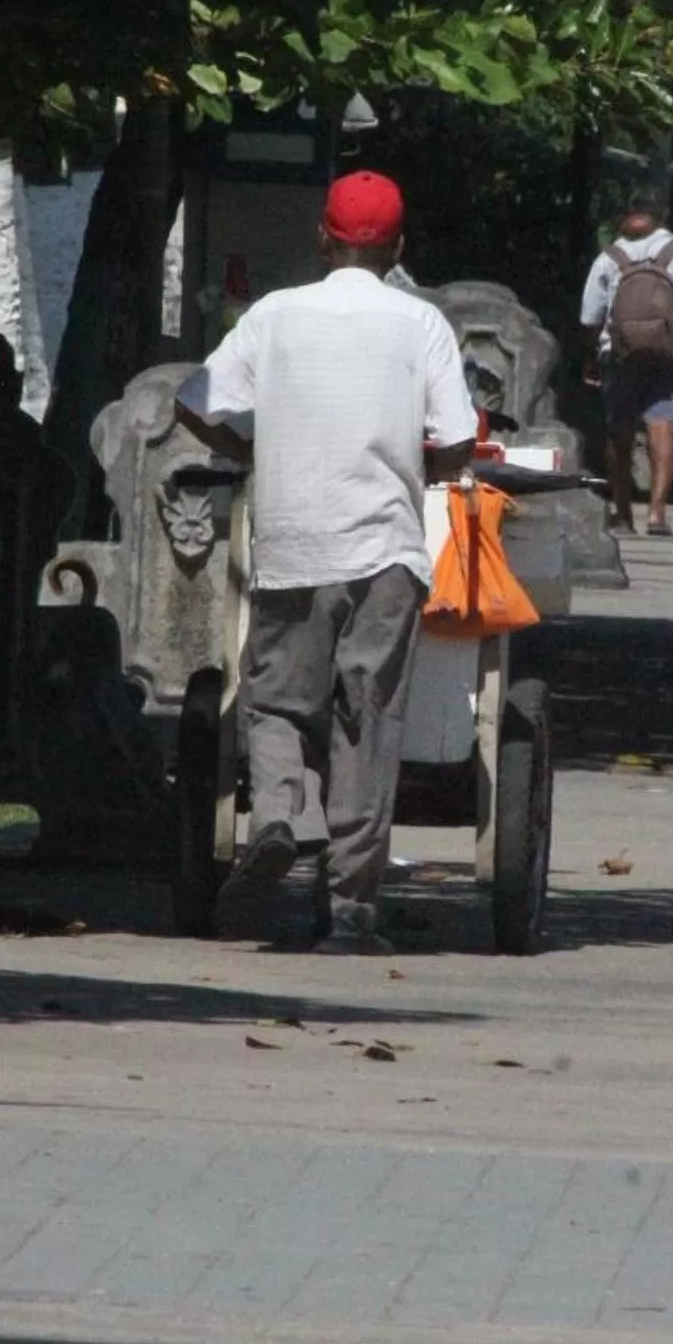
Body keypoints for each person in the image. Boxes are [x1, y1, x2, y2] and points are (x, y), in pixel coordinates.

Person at [177, 171, 479, 954]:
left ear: (323, 238)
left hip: (293, 548)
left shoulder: (275, 315)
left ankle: (277, 814)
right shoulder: (422, 325)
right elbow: (453, 444)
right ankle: (350, 912)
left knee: (275, 704)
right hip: (385, 554)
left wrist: (248, 447)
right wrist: (426, 467)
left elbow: (193, 401)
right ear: (399, 247)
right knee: (367, 722)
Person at [578, 209, 673, 536]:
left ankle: (623, 514)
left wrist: (589, 358)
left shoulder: (609, 258)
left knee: (620, 432)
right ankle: (656, 514)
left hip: (618, 356)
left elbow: (589, 319)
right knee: (664, 427)